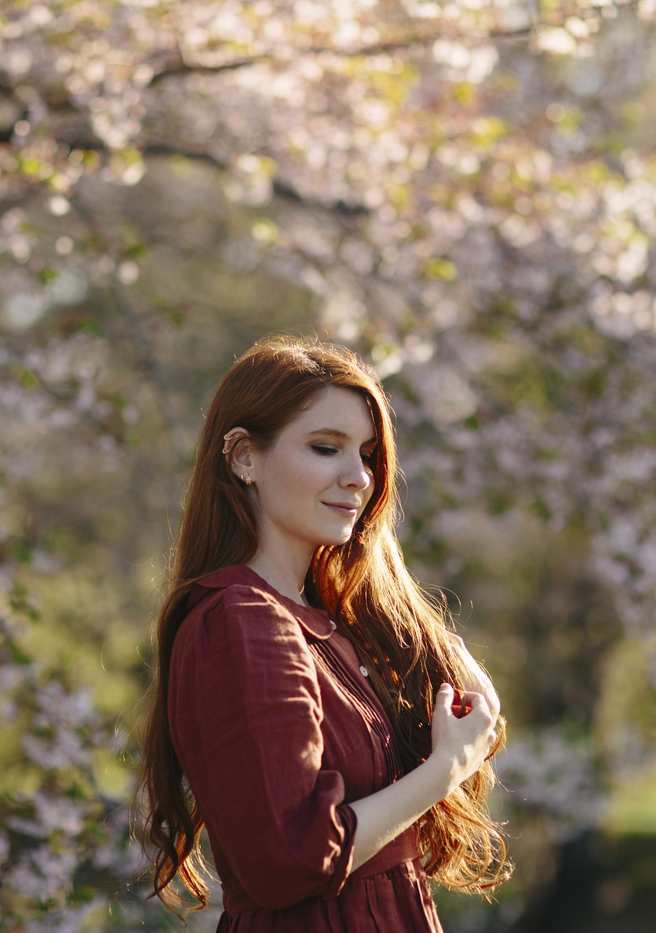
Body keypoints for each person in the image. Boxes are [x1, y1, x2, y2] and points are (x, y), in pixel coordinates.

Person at [138, 337, 510, 932]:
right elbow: (292, 859)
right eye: (325, 448)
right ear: (244, 457)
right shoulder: (241, 621)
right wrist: (447, 767)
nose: (359, 477)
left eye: (367, 454)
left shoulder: (333, 624)